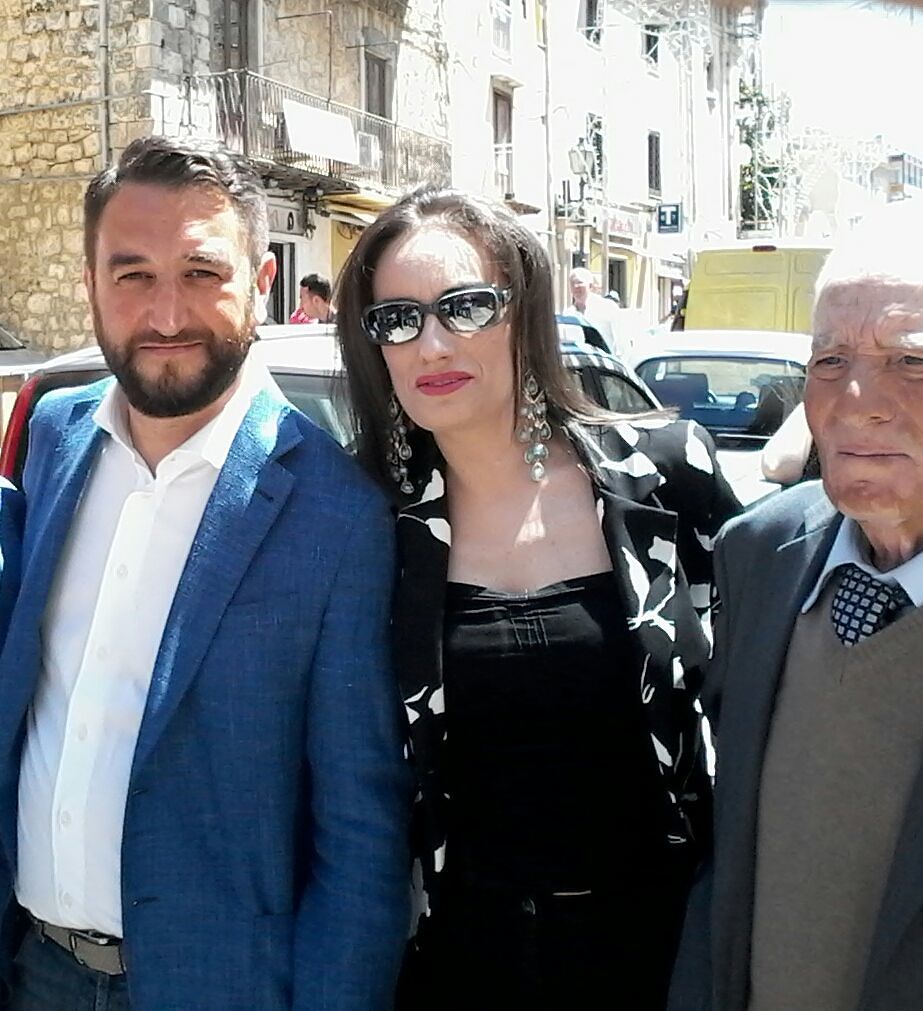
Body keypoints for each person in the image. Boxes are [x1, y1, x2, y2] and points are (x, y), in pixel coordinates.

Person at [0, 136, 410, 1010]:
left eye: (200, 272)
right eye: (133, 274)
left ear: (259, 281)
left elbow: (359, 836)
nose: (165, 314)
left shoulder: (337, 514)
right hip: (34, 970)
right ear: (90, 284)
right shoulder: (53, 437)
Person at [335, 185, 740, 1011]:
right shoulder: (365, 521)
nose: (432, 343)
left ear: (523, 311)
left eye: (465, 306)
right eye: (397, 319)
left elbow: (756, 694)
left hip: (658, 951)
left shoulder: (663, 472)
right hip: (457, 964)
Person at [668, 202, 923, 1010]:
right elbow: (728, 854)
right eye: (828, 359)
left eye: (910, 359)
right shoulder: (760, 553)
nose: (855, 399)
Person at [566, 266, 630, 359]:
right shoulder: (568, 314)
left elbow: (623, 343)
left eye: (579, 282)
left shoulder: (607, 307)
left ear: (590, 285)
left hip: (605, 364)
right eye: (572, 283)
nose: (576, 286)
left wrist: (621, 364)